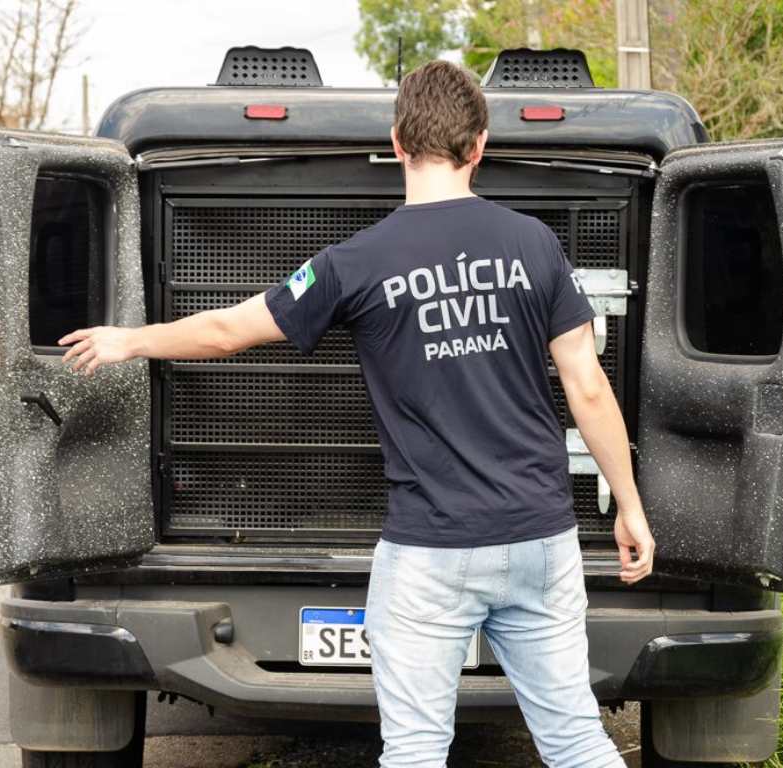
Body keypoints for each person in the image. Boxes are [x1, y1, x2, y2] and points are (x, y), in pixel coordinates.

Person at [59, 59, 653, 768]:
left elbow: (226, 331)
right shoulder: (535, 245)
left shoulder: (357, 262)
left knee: (414, 751)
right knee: (577, 739)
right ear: (480, 146)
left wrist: (131, 340)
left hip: (431, 550)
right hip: (539, 540)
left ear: (399, 142)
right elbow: (587, 385)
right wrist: (629, 506)